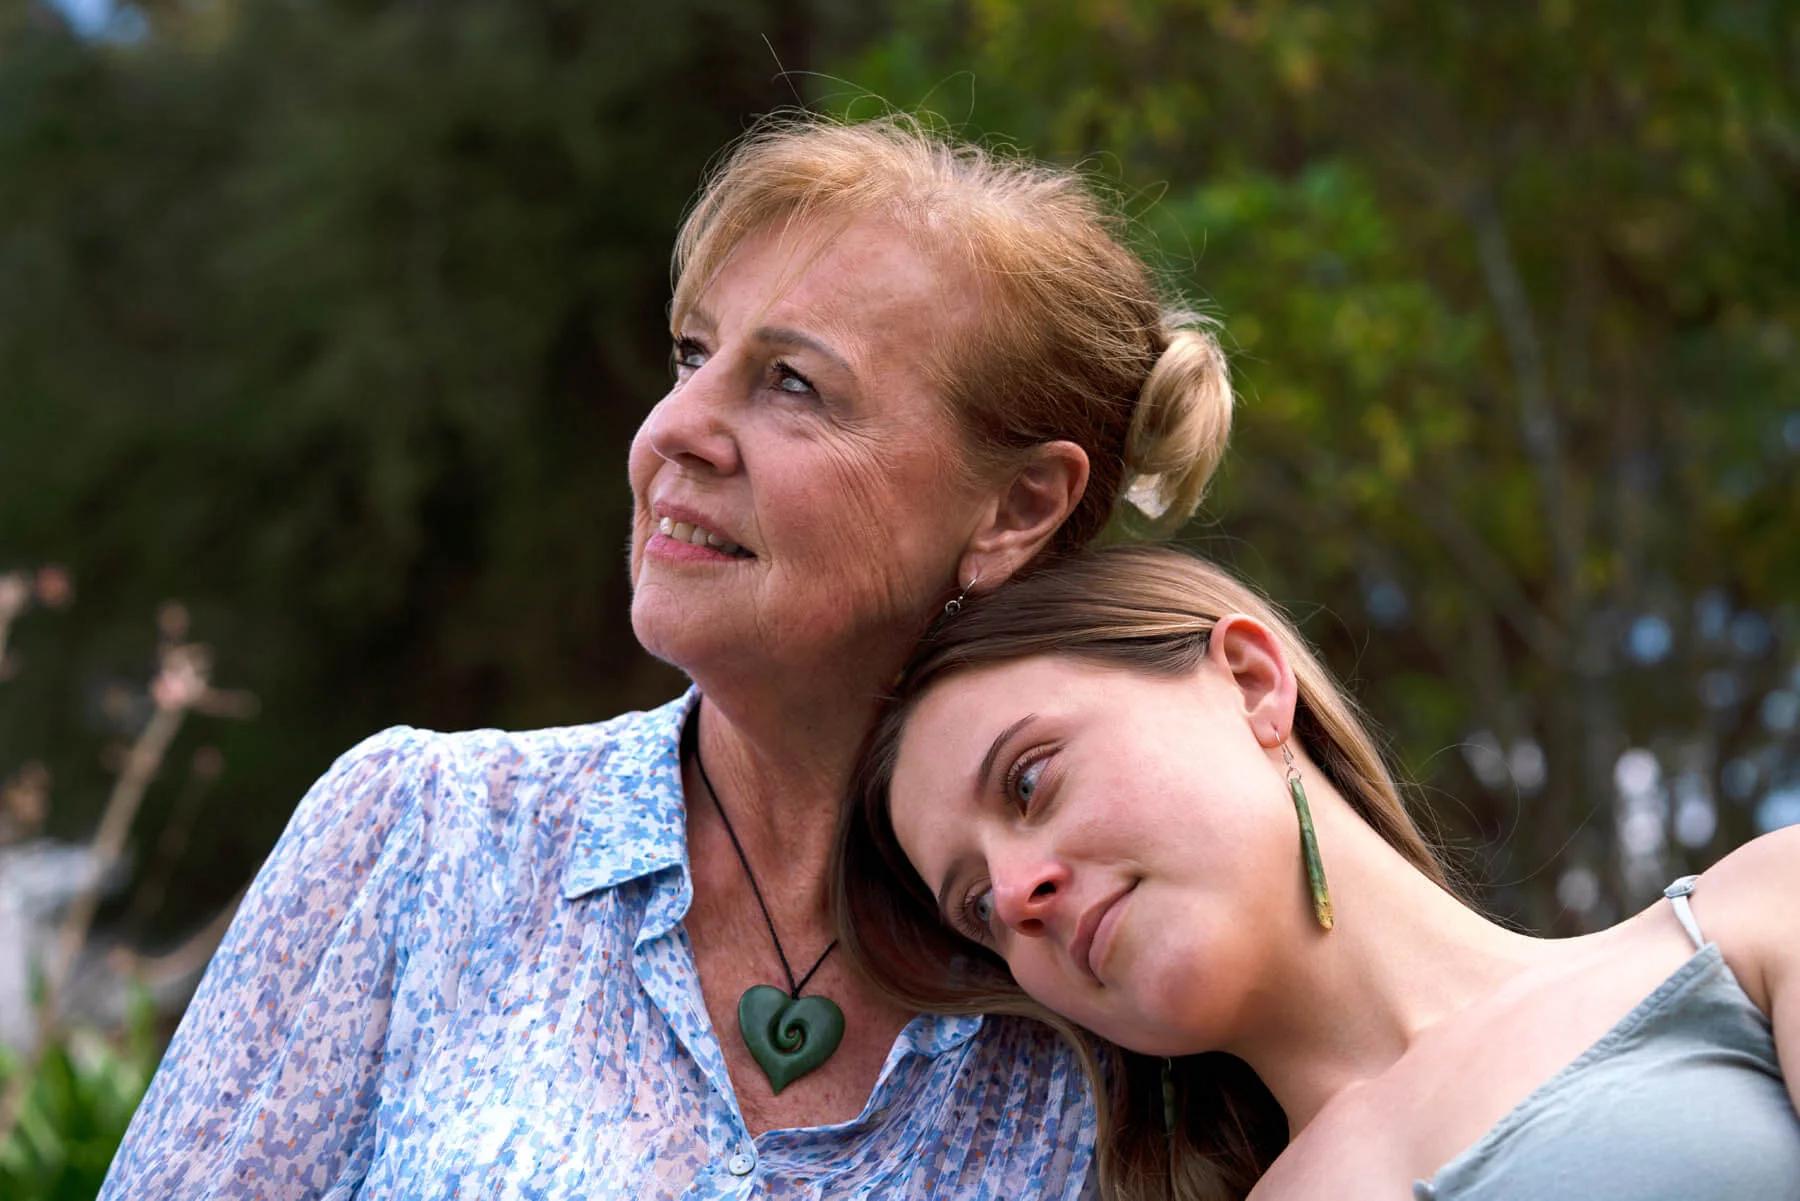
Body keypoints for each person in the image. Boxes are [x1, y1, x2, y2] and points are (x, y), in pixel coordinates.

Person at [100, 114, 1235, 1198]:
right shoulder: (425, 828)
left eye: (794, 383)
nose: (671, 431)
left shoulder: (1116, 972)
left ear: (1016, 508)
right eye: (692, 355)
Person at [837, 545, 1800, 1201]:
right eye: (975, 910)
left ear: (1252, 683)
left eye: (1031, 779)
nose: (1014, 897)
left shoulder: (1755, 920)